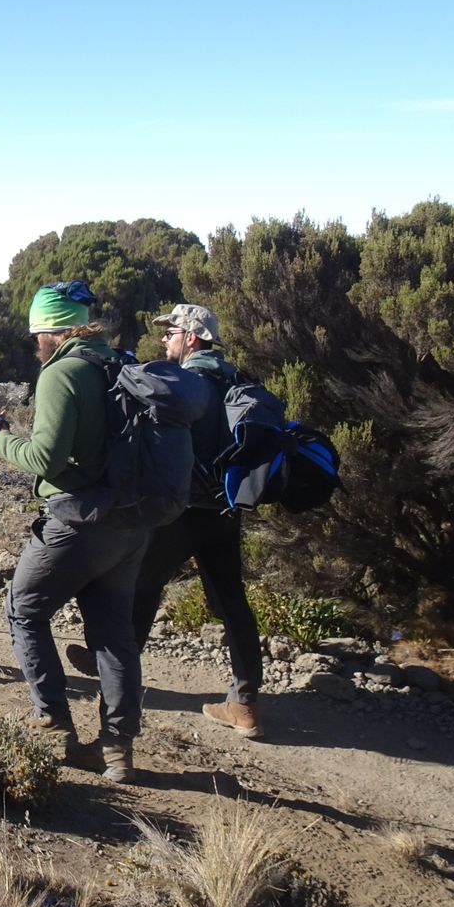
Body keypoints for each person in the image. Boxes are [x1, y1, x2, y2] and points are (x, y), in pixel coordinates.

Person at [0, 281, 148, 783]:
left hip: (78, 522)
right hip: (131, 523)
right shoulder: (119, 364)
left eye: (38, 334)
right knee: (114, 635)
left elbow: (45, 458)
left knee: (24, 608)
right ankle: (117, 751)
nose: (36, 344)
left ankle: (53, 722)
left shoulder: (62, 372)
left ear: (51, 331)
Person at [125, 303, 267, 739]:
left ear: (191, 337)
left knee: (141, 585)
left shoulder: (189, 383)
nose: (163, 338)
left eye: (170, 332)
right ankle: (245, 703)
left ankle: (116, 675)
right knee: (232, 602)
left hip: (182, 510)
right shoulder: (236, 381)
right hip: (225, 512)